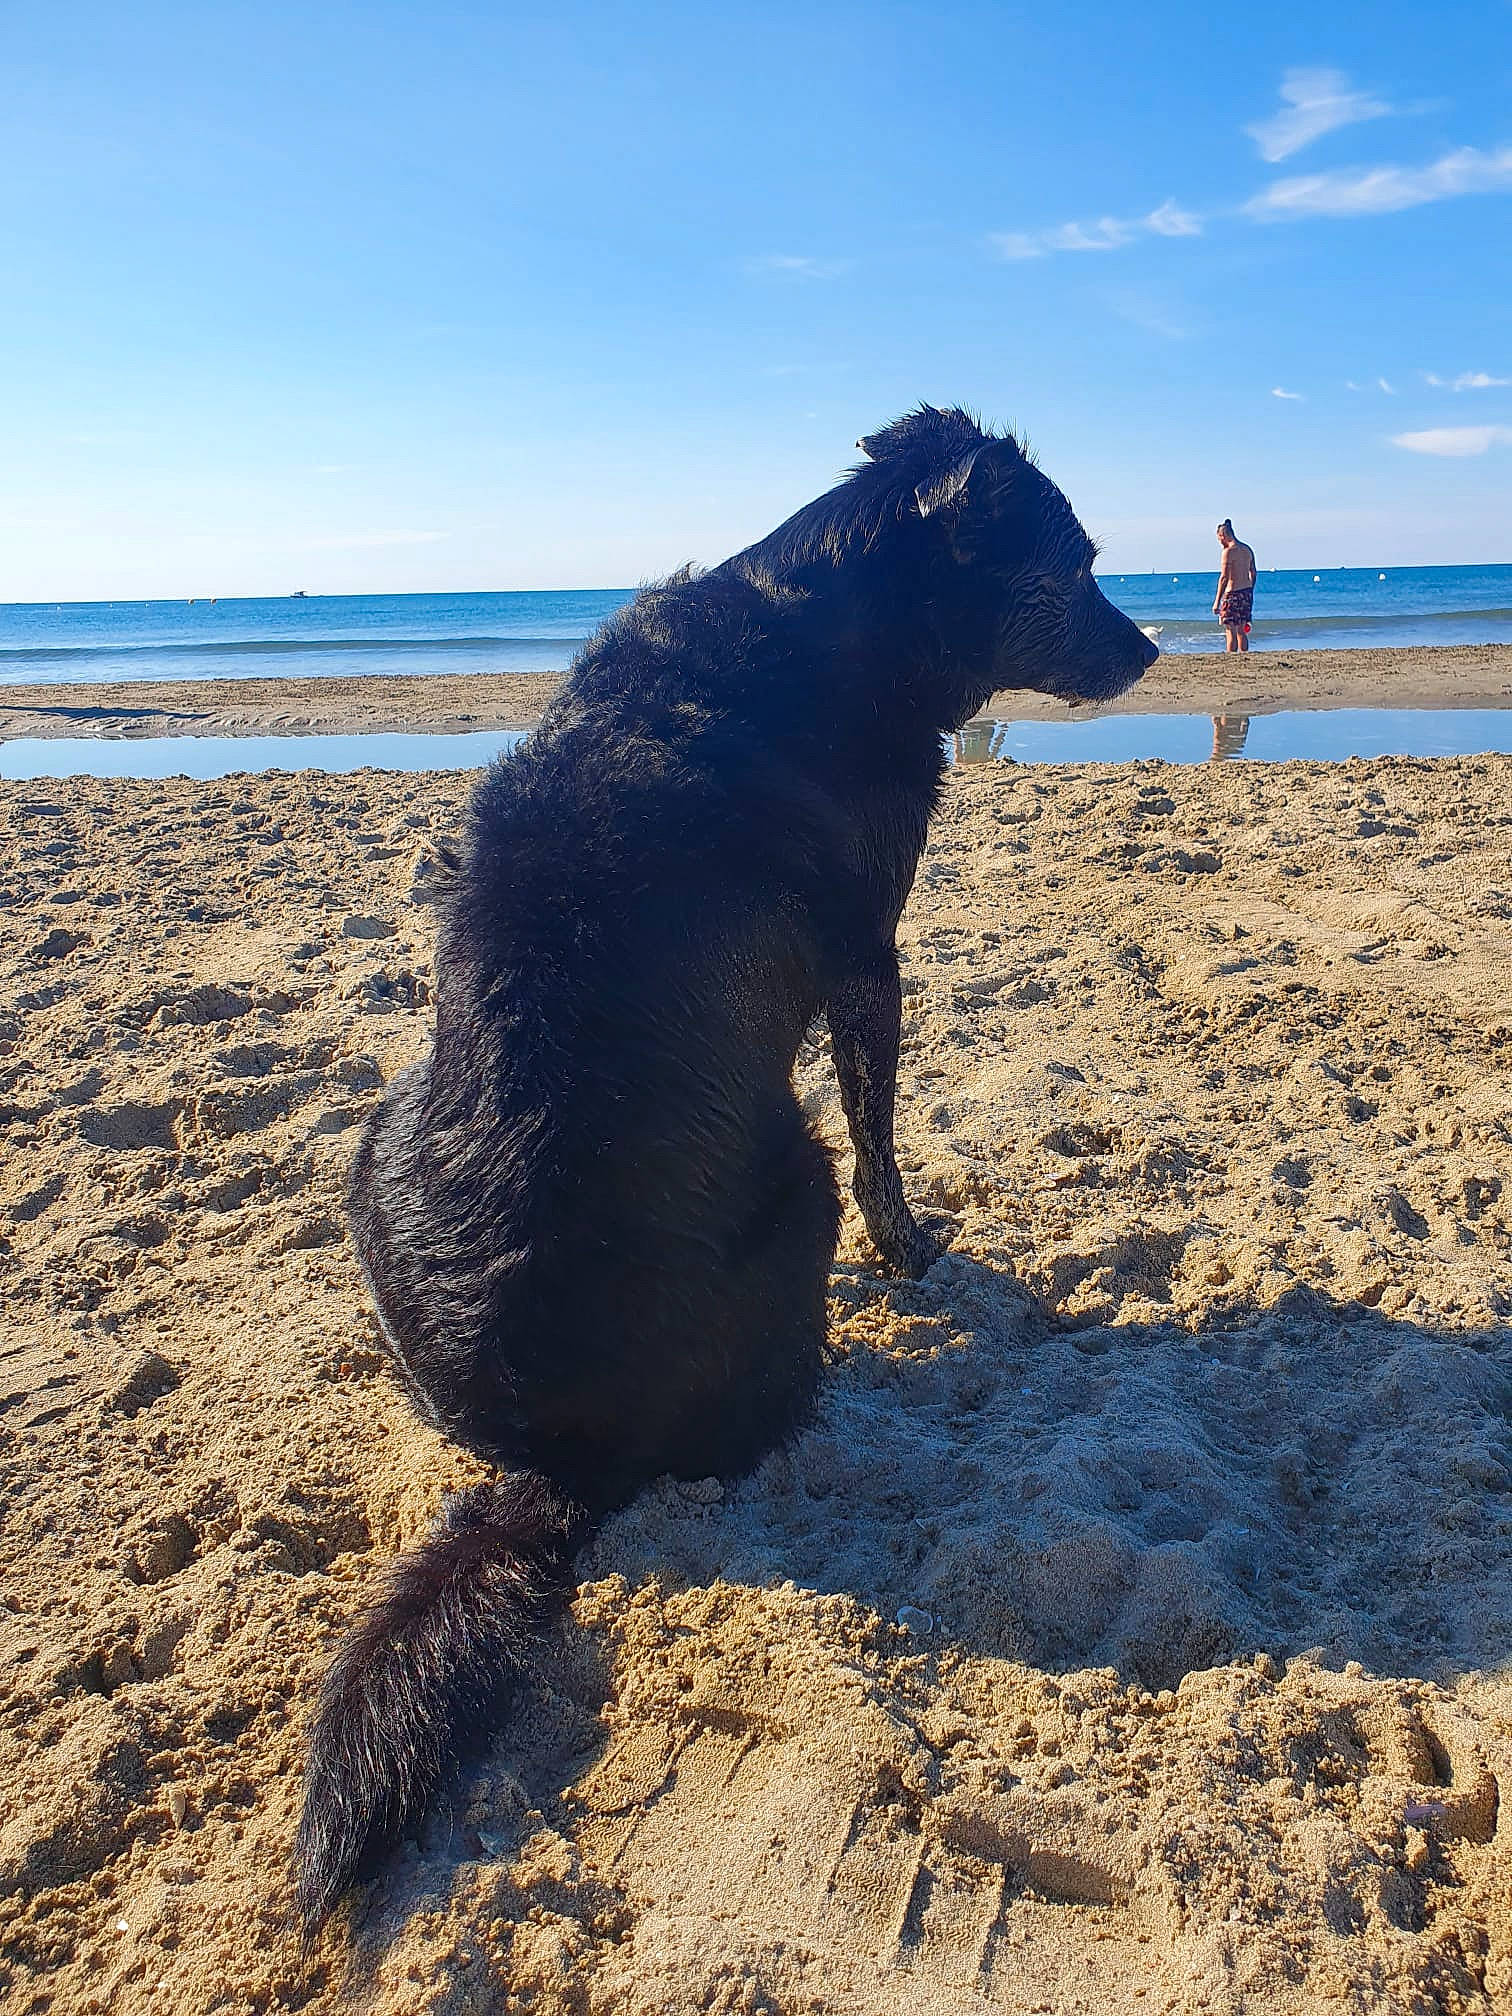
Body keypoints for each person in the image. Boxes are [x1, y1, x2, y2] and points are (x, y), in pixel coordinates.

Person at [1213, 519, 1257, 652]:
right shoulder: (1247, 549)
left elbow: (1224, 578)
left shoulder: (1228, 552)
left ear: (1223, 536)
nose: (1220, 542)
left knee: (1230, 630)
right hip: (1246, 593)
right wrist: (1250, 590)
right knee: (1242, 630)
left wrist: (1217, 601)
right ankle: (1244, 656)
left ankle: (1231, 656)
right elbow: (1253, 573)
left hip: (1232, 593)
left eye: (1219, 539)